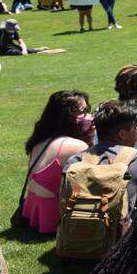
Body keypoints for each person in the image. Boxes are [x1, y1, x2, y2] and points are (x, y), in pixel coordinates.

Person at [63, 101, 137, 224]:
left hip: (73, 237)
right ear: (122, 134)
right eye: (135, 129)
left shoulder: (75, 161)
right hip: (121, 239)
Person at [20, 90, 93, 233]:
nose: (89, 117)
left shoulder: (41, 140)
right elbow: (94, 182)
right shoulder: (76, 146)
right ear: (68, 117)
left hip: (35, 207)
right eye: (83, 112)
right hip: (55, 214)